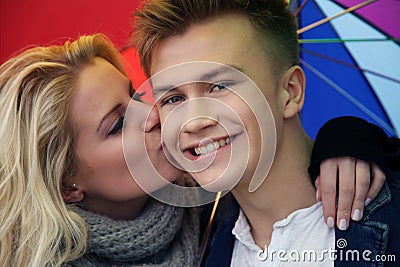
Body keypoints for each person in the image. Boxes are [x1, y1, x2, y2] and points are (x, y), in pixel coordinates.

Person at [0, 32, 390, 266]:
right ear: (69, 187)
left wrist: (348, 138)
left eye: (137, 95)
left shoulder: (214, 205)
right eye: (118, 125)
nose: (153, 115)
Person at [131, 0, 400, 266]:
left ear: (291, 91)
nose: (193, 122)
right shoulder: (197, 246)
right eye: (173, 99)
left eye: (219, 86)